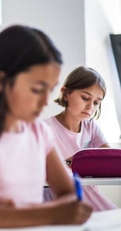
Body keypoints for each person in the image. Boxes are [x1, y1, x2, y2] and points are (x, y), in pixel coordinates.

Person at [0, 25, 93, 229]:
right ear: (2, 81)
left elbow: (70, 195)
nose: (44, 101)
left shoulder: (39, 133)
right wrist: (47, 213)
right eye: (37, 89)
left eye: (50, 90)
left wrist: (12, 214)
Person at [43, 66, 118, 211]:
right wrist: (71, 161)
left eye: (97, 102)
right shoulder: (44, 127)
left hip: (89, 196)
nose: (90, 106)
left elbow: (109, 160)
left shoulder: (91, 127)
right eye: (85, 98)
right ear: (65, 93)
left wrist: (83, 161)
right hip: (56, 198)